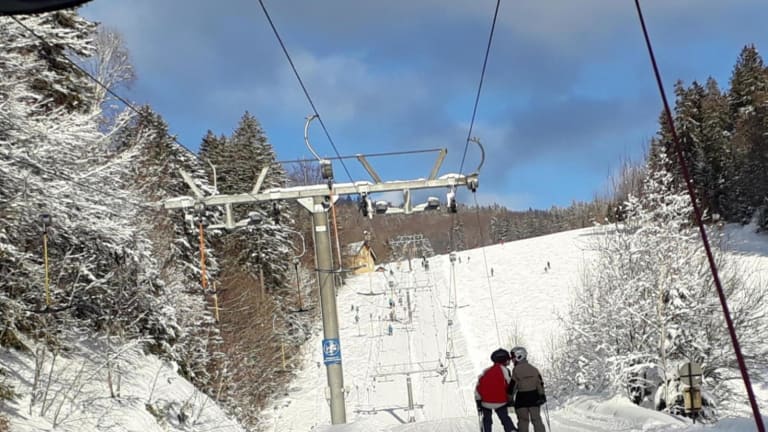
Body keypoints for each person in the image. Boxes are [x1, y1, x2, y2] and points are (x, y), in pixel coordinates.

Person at [475, 349, 517, 432]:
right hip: (500, 401)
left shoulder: (486, 371)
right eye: (508, 359)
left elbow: (478, 387)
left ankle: (487, 430)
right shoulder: (505, 370)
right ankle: (510, 429)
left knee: (487, 419)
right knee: (505, 418)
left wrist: (478, 401)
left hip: (485, 402)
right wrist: (511, 399)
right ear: (503, 360)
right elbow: (510, 385)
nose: (509, 361)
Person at [508, 347, 546, 432]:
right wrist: (542, 395)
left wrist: (510, 399)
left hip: (521, 399)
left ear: (519, 356)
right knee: (536, 420)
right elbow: (539, 383)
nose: (512, 360)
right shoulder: (534, 369)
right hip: (534, 397)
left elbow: (512, 387)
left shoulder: (516, 370)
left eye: (513, 357)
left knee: (523, 421)